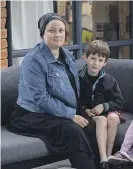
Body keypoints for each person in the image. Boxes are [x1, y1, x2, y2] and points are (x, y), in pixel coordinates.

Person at [7, 13, 97, 169]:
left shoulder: (67, 55)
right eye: (52, 30)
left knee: (91, 126)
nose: (58, 34)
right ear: (43, 33)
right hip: (32, 114)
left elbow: (72, 87)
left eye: (61, 30)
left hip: (57, 111)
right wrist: (70, 115)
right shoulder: (33, 60)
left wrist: (83, 109)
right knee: (72, 131)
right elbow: (40, 98)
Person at [79, 40, 124, 169]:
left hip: (107, 111)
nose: (96, 63)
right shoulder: (78, 79)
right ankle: (103, 157)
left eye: (100, 60)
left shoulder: (109, 80)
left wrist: (104, 106)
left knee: (113, 118)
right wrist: (85, 110)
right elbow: (75, 100)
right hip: (90, 114)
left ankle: (108, 158)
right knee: (102, 119)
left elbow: (119, 102)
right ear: (85, 58)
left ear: (105, 63)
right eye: (93, 58)